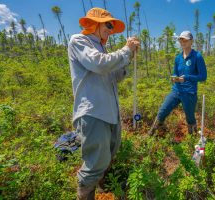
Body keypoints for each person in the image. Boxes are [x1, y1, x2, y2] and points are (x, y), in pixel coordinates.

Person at [68, 8, 140, 199]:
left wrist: (128, 57)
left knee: (109, 153)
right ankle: (85, 193)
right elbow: (99, 64)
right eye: (108, 25)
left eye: (112, 26)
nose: (111, 29)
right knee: (96, 162)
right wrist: (125, 51)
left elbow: (115, 75)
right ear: (95, 23)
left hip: (109, 112)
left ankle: (100, 188)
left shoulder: (102, 49)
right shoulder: (79, 41)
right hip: (93, 112)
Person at [149, 31, 207, 136]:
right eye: (181, 39)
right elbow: (175, 72)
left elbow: (203, 76)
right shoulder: (178, 58)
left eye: (185, 39)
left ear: (191, 41)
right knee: (162, 111)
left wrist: (187, 78)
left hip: (189, 93)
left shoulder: (197, 56)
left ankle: (192, 138)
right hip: (176, 90)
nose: (182, 42)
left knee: (190, 118)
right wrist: (174, 78)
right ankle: (151, 135)